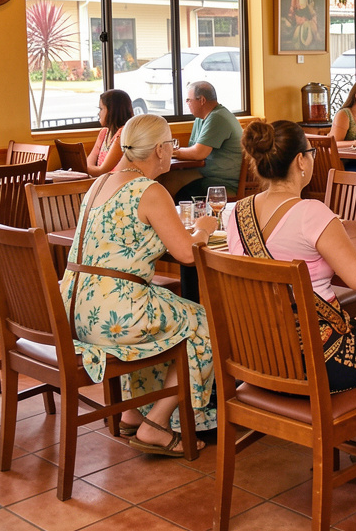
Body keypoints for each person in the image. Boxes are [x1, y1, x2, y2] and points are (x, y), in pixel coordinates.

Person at [229, 120, 356, 466]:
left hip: (259, 355)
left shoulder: (234, 212)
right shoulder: (312, 213)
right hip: (322, 357)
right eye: (310, 154)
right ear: (301, 161)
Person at [61, 114, 220, 455]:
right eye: (172, 145)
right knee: (203, 322)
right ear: (161, 149)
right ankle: (157, 424)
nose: (173, 151)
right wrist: (205, 228)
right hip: (114, 315)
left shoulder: (100, 183)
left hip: (74, 309)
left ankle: (134, 411)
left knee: (167, 315)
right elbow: (187, 254)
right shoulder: (150, 190)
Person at [166, 81, 243, 200]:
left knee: (179, 192)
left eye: (188, 100)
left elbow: (198, 153)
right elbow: (193, 149)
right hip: (209, 174)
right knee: (167, 179)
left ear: (202, 100)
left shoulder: (218, 117)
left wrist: (170, 151)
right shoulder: (201, 118)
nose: (187, 103)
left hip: (226, 183)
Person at [85, 89, 134, 176]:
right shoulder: (104, 133)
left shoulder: (123, 134)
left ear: (112, 111)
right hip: (103, 180)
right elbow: (89, 162)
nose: (98, 114)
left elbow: (102, 171)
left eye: (101, 109)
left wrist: (85, 169)